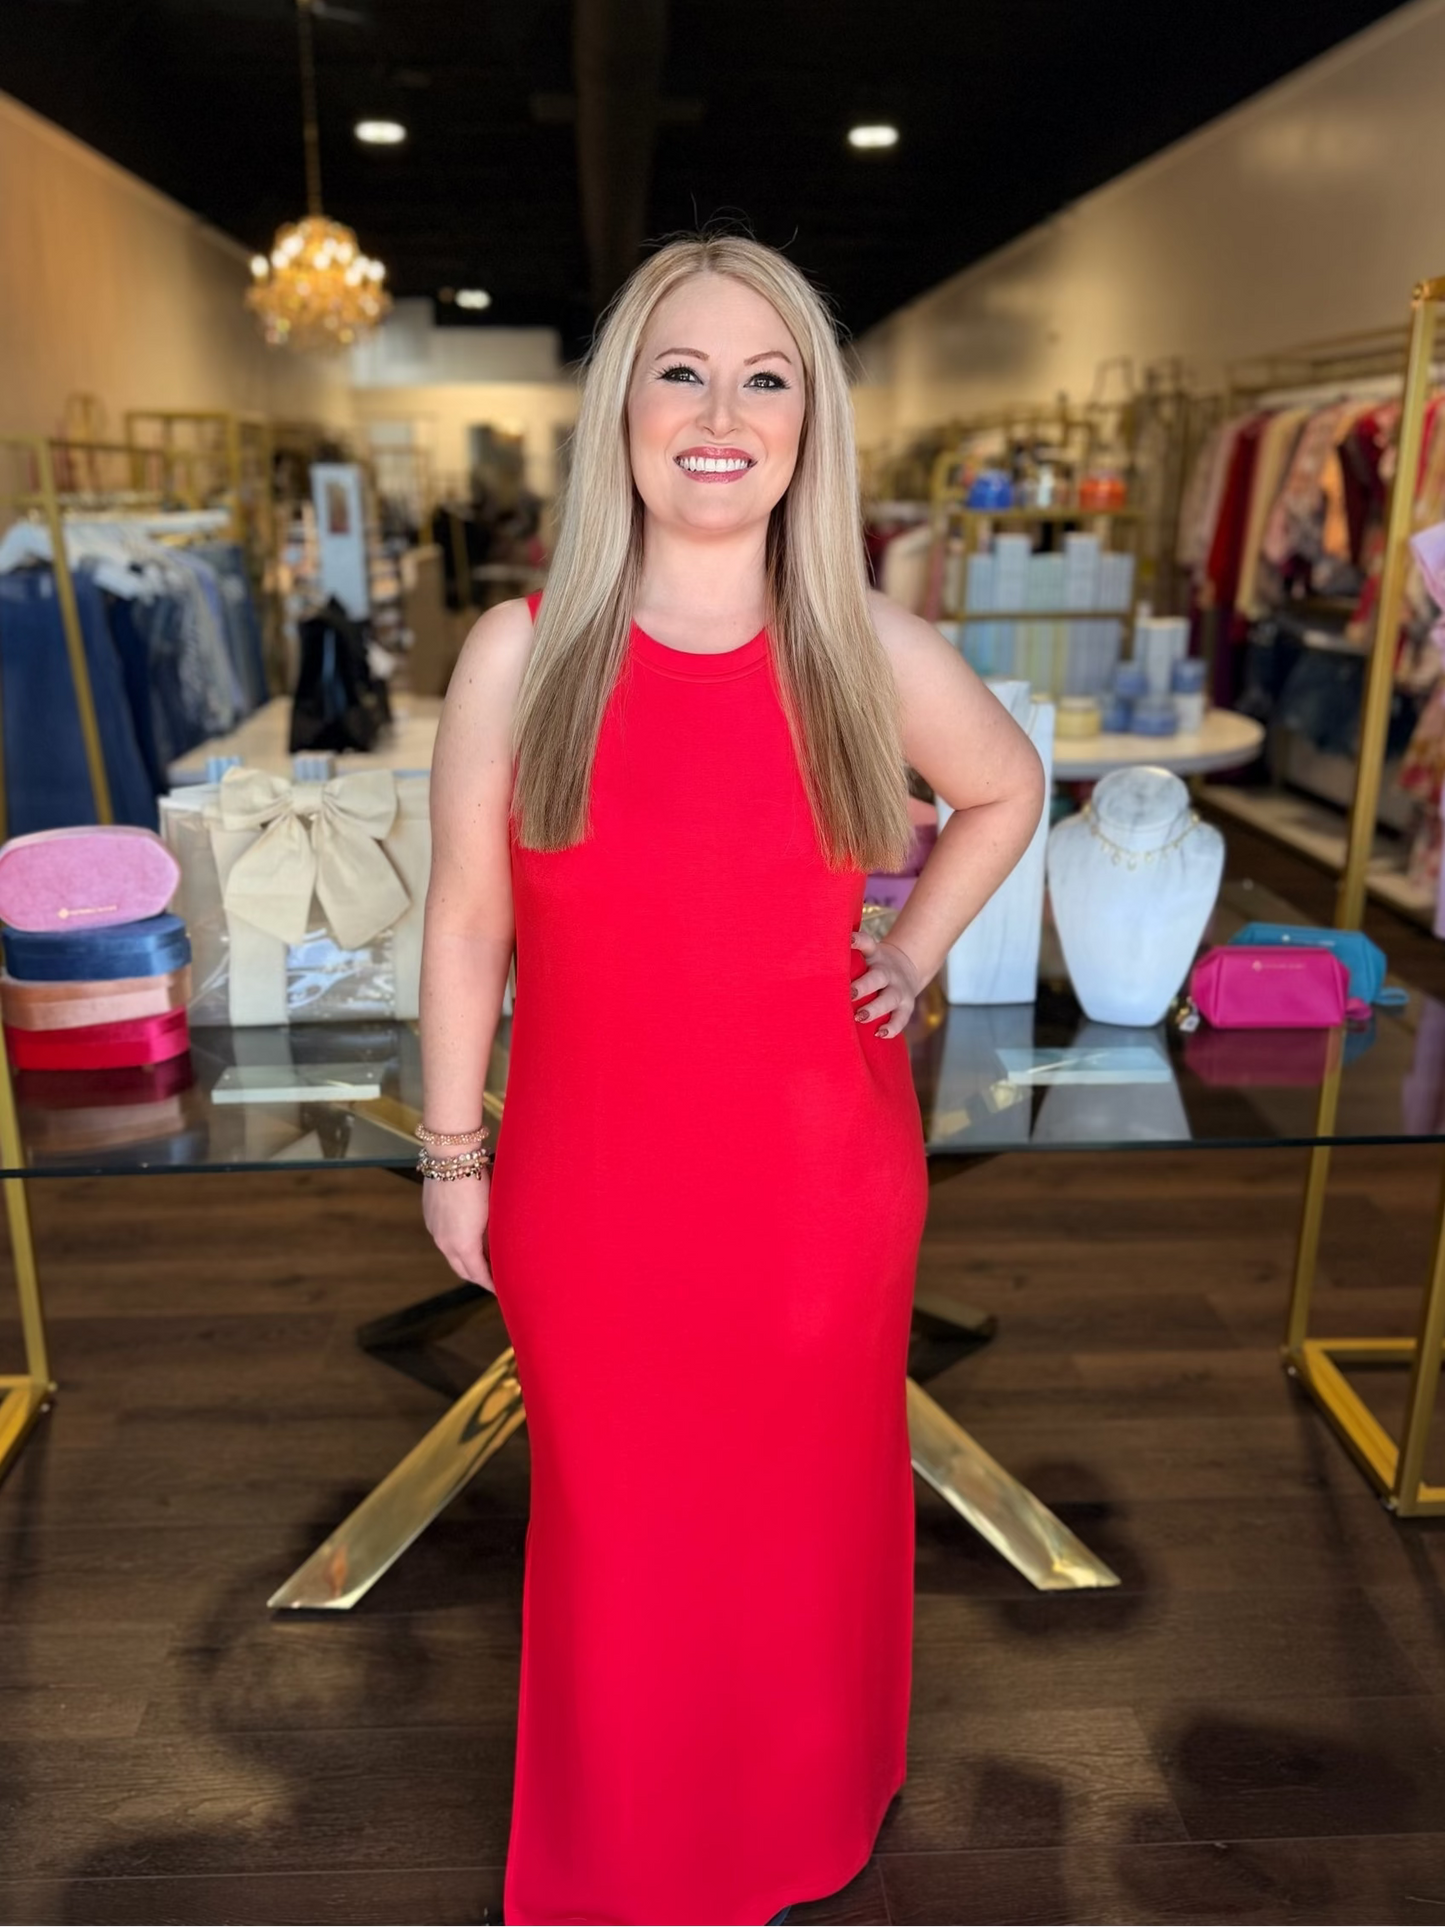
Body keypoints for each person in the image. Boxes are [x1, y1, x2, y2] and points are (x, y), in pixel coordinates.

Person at [417, 233, 1044, 1927]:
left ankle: (804, 1806)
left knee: (794, 1530)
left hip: (816, 1194)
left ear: (809, 423)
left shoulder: (867, 650)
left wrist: (907, 958)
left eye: (766, 376)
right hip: (592, 1191)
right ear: (621, 406)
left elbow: (1007, 789)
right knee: (622, 1539)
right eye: (680, 369)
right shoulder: (521, 651)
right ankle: (628, 1848)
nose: (721, 411)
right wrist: (449, 1148)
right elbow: (469, 923)